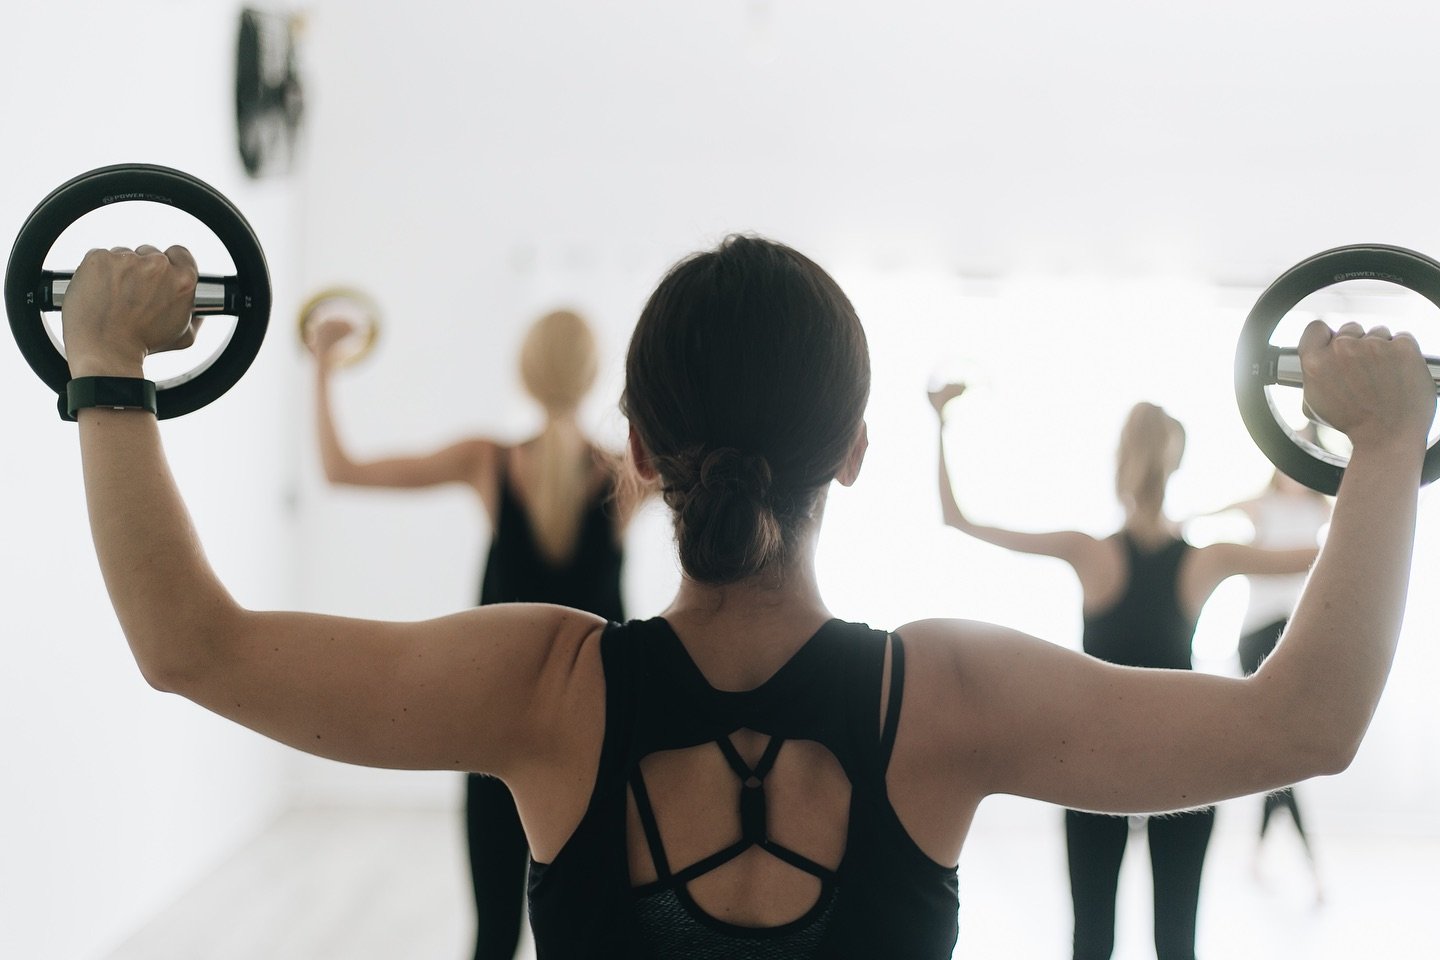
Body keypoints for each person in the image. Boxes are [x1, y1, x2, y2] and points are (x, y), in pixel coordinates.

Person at [62, 236, 1432, 959]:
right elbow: (1300, 724)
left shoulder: (545, 687)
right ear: (854, 453)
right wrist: (1383, 449)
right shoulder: (945, 697)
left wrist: (110, 370)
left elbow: (192, 646)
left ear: (639, 454)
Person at [929, 390, 1322, 960]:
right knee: (1176, 947)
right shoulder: (1208, 559)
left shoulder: (1087, 553)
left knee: (1090, 945)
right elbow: (1318, 555)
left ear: (1120, 460)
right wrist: (1348, 459)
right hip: (1185, 768)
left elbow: (957, 518)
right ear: (1177, 463)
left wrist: (940, 422)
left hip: (1091, 766)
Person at [307, 308, 645, 960]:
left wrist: (322, 363)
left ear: (526, 372)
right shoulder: (627, 475)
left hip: (494, 734)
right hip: (598, 739)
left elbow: (340, 468)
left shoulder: (487, 463)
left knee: (493, 939)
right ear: (593, 374)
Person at [1210, 455, 1332, 900]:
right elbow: (1207, 515)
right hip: (1256, 634)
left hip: (1294, 635)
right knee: (1279, 760)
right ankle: (1309, 868)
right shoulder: (1259, 505)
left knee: (1280, 760)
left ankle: (1269, 859)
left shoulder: (1322, 510)